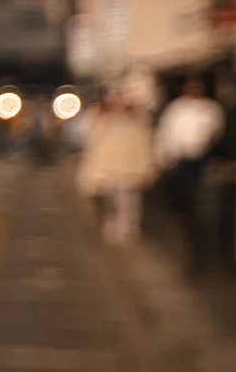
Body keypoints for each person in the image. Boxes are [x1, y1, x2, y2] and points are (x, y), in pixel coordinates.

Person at [154, 75, 225, 270]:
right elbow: (166, 133)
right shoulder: (176, 109)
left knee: (201, 202)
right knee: (182, 203)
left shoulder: (210, 109)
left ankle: (200, 241)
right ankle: (186, 224)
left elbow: (214, 132)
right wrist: (165, 158)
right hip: (180, 161)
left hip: (201, 161)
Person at [77, 93, 154, 245]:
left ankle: (128, 228)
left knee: (128, 199)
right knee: (111, 197)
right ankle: (114, 225)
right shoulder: (103, 119)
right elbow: (91, 137)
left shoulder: (136, 121)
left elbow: (143, 140)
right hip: (109, 167)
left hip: (129, 166)